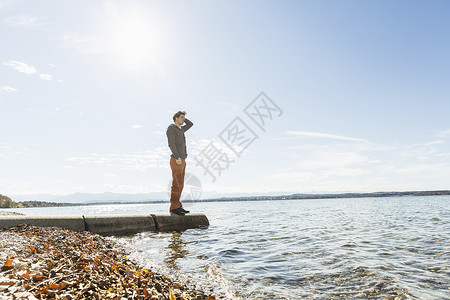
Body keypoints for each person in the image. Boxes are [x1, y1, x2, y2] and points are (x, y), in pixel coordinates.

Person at [166, 110, 193, 216]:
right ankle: (173, 207)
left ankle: (178, 205)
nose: (183, 119)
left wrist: (183, 117)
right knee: (176, 184)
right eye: (181, 117)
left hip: (182, 159)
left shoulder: (181, 130)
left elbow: (190, 124)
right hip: (176, 159)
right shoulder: (171, 128)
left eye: (183, 118)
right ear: (176, 118)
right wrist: (177, 157)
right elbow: (171, 144)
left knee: (181, 184)